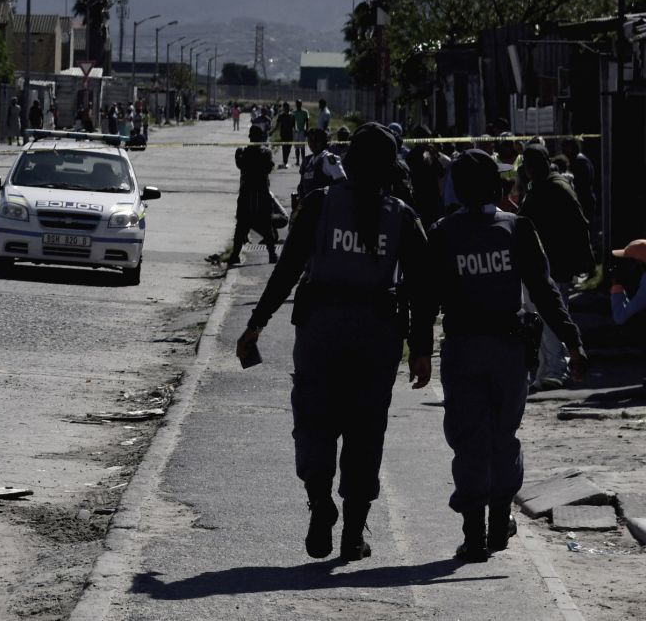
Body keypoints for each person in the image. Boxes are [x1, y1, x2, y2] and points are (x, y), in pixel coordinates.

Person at [235, 124, 433, 562]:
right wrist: (422, 349)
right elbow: (423, 288)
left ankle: (321, 503)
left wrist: (256, 324)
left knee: (315, 423)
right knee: (366, 433)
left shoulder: (320, 204)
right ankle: (353, 534)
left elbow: (287, 269)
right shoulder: (402, 216)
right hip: (376, 340)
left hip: (320, 335)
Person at [423, 149, 586, 561]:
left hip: (463, 351)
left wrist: (420, 349)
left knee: (469, 440)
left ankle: (474, 535)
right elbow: (545, 291)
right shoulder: (517, 228)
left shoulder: (443, 232)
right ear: (495, 186)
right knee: (503, 436)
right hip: (509, 353)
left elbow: (425, 298)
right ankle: (498, 523)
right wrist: (572, 340)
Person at [515, 143, 594, 391]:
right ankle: (545, 371)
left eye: (531, 166)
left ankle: (555, 370)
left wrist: (586, 261)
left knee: (551, 320)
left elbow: (579, 224)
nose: (529, 171)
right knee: (541, 321)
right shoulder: (539, 187)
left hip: (556, 266)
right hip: (540, 266)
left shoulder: (557, 187)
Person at [227, 125, 281, 267]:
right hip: (257, 192)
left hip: (252, 192)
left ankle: (236, 255)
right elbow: (267, 167)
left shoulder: (246, 153)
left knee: (245, 226)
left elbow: (244, 164)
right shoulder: (262, 153)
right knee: (260, 225)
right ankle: (271, 254)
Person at [275, 103, 298, 169]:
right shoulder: (281, 116)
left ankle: (285, 160)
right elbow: (277, 125)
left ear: (288, 108)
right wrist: (272, 132)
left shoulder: (292, 116)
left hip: (290, 135)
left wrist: (296, 130)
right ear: (283, 108)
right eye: (285, 108)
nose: (286, 109)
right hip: (283, 135)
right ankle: (285, 161)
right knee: (284, 148)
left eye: (287, 107)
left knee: (288, 149)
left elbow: (295, 125)